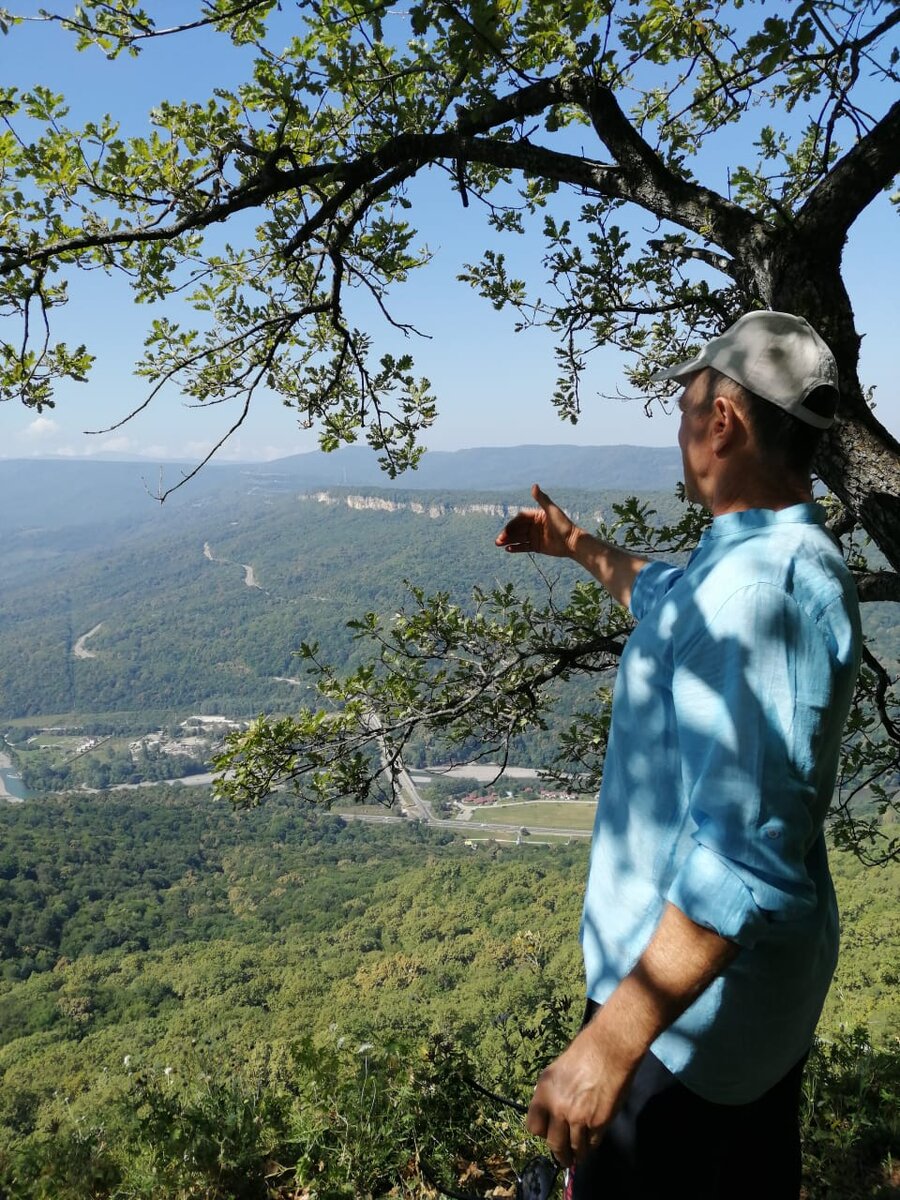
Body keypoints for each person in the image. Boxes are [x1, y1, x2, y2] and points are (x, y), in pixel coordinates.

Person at [495, 312, 861, 1199]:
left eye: (685, 401)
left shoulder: (763, 596)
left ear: (723, 420)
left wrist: (608, 1046)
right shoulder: (747, 558)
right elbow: (668, 597)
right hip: (709, 1010)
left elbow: (739, 861)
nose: (680, 421)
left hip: (685, 1035)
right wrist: (575, 546)